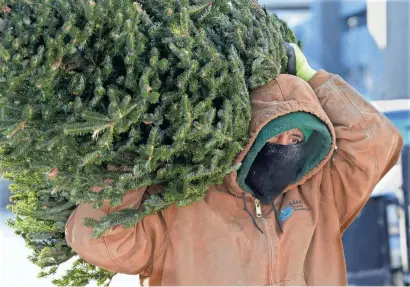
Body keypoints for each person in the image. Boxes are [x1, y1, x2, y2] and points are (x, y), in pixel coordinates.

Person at [65, 43, 403, 286]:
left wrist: (312, 78)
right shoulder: (182, 206)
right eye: (273, 137)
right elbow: (100, 237)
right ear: (246, 136)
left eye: (296, 140)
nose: (284, 148)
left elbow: (377, 140)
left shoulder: (321, 197)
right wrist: (140, 147)